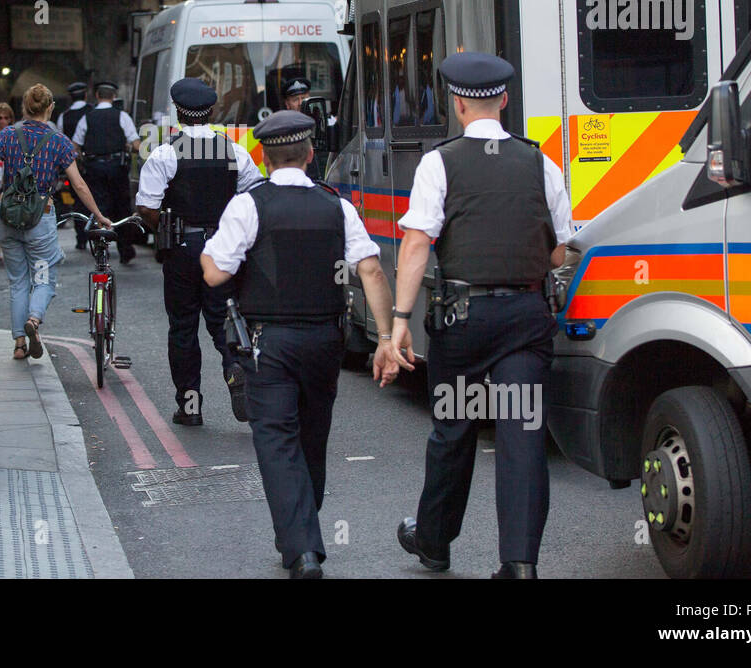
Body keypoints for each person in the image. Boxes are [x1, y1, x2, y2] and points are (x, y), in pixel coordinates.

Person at [378, 52, 571, 580]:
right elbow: (559, 253)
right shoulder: (540, 162)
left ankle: (434, 543)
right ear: (504, 101)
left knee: (453, 429)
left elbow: (417, 242)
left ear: (457, 104)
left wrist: (399, 321)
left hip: (464, 322)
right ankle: (520, 563)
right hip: (528, 321)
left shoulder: (440, 162)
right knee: (523, 433)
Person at [201, 110, 396, 579]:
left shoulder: (249, 205)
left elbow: (215, 274)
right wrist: (387, 337)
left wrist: (209, 250)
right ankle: (299, 529)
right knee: (312, 435)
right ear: (311, 156)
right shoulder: (337, 205)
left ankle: (303, 548)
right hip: (326, 340)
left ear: (264, 158)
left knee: (276, 439)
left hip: (270, 342)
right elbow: (369, 269)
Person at [136, 78, 260, 426]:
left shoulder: (164, 153)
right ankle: (235, 366)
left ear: (178, 112)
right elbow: (255, 196)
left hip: (182, 248)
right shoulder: (234, 151)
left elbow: (146, 207)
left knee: (183, 328)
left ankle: (189, 406)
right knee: (224, 320)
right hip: (224, 246)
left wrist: (164, 227)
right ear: (213, 111)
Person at [0, 84, 110, 361]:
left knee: (17, 282)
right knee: (43, 278)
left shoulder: (8, 135)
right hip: (40, 219)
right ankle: (34, 321)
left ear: (25, 107)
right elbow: (79, 185)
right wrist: (98, 215)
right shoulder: (58, 141)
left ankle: (18, 344)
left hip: (9, 216)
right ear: (50, 108)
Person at [72, 81, 141, 264]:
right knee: (121, 207)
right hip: (117, 168)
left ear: (97, 96)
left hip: (94, 168)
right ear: (113, 97)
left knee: (99, 208)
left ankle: (101, 249)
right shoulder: (122, 116)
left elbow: (75, 146)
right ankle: (125, 249)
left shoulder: (87, 118)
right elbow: (135, 143)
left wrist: (81, 159)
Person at [56, 82, 92, 250]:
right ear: (85, 95)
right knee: (95, 197)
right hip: (93, 161)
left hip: (73, 163)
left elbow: (61, 139)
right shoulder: (93, 112)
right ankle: (95, 233)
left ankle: (81, 237)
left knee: (77, 200)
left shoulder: (64, 116)